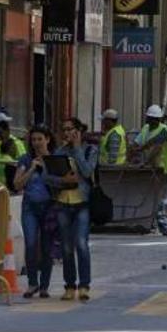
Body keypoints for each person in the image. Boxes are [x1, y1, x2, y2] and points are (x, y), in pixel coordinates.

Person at [53, 118, 97, 302]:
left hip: (82, 204)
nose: (66, 133)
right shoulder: (60, 152)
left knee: (81, 243)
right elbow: (50, 176)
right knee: (66, 247)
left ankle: (84, 285)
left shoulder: (90, 150)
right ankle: (69, 285)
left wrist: (77, 148)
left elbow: (87, 172)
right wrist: (64, 181)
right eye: (64, 129)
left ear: (78, 131)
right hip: (63, 203)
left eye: (70, 129)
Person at [13, 125, 56, 299]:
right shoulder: (25, 159)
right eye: (34, 140)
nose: (37, 143)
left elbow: (61, 182)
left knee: (46, 247)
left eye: (40, 139)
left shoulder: (55, 159)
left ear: (47, 140)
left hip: (49, 207)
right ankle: (32, 283)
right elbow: (17, 184)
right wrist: (32, 168)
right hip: (30, 206)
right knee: (31, 244)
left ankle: (44, 285)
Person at [0, 117, 27, 192]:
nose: (0, 135)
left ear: (7, 130)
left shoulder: (17, 143)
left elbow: (23, 163)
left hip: (11, 186)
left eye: (1, 132)